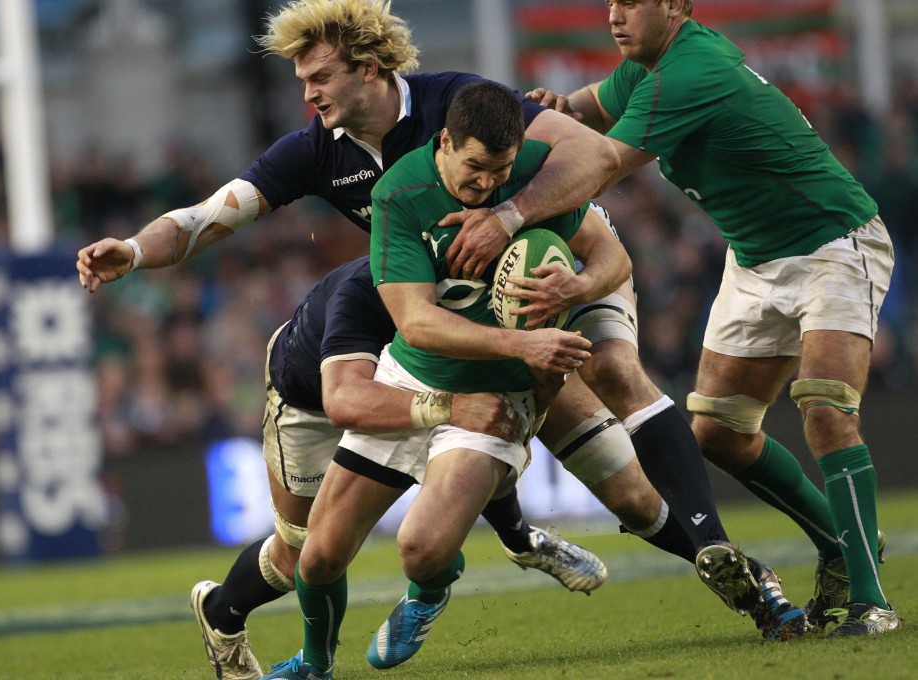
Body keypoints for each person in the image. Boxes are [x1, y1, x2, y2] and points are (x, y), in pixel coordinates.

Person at [77, 0, 798, 645]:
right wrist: (136, 250)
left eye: (321, 76)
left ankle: (739, 573)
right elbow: (209, 216)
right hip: (445, 328)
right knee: (307, 552)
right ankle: (500, 536)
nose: (308, 93)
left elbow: (591, 155)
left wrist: (508, 216)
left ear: (367, 67)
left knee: (619, 431)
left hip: (557, 269)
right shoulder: (315, 151)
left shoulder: (459, 104)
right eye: (303, 79)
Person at [527, 0, 898, 637]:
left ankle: (870, 601)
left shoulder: (689, 70)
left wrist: (505, 206)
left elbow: (605, 162)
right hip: (755, 261)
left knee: (828, 411)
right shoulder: (645, 66)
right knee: (719, 432)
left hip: (833, 243)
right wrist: (550, 111)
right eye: (610, 3)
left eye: (633, 3)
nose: (616, 16)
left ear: (675, 8)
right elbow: (585, 108)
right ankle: (836, 542)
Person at [261, 80, 608, 680]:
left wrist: (581, 286)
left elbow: (613, 257)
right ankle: (314, 665)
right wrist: (521, 343)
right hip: (416, 379)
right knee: (316, 559)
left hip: (499, 394)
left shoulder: (535, 176)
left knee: (420, 549)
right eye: (474, 168)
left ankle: (432, 588)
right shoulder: (399, 193)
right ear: (444, 141)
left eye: (500, 169)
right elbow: (416, 324)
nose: (487, 185)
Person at [188, 255, 608, 680]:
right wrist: (454, 407)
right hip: (312, 403)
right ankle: (222, 614)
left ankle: (517, 543)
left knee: (471, 448)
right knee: (301, 554)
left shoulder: (472, 274)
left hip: (411, 380)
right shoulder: (365, 291)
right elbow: (345, 402)